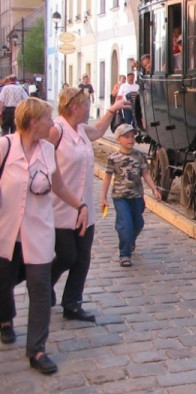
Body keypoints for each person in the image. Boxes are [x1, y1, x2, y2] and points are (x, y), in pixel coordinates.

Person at [0, 97, 89, 374]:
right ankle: (5, 319)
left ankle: (37, 350)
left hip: (38, 231)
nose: (52, 123)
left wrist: (80, 205)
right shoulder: (5, 146)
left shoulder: (48, 150)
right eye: (47, 119)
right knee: (3, 284)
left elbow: (59, 186)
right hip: (5, 231)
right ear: (32, 122)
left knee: (39, 291)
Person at [47, 88, 131, 324]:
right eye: (86, 105)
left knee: (82, 257)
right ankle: (46, 284)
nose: (88, 108)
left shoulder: (81, 129)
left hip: (85, 207)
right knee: (66, 256)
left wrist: (112, 109)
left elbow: (99, 131)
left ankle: (72, 304)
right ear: (74, 107)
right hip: (60, 207)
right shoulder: (57, 130)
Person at [101, 124, 162, 267]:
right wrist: (103, 197)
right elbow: (107, 177)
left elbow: (146, 174)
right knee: (125, 225)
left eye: (132, 136)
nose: (130, 140)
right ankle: (124, 254)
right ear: (118, 139)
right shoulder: (113, 158)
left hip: (137, 197)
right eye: (126, 137)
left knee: (138, 224)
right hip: (120, 197)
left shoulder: (139, 156)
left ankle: (130, 240)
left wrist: (154, 189)